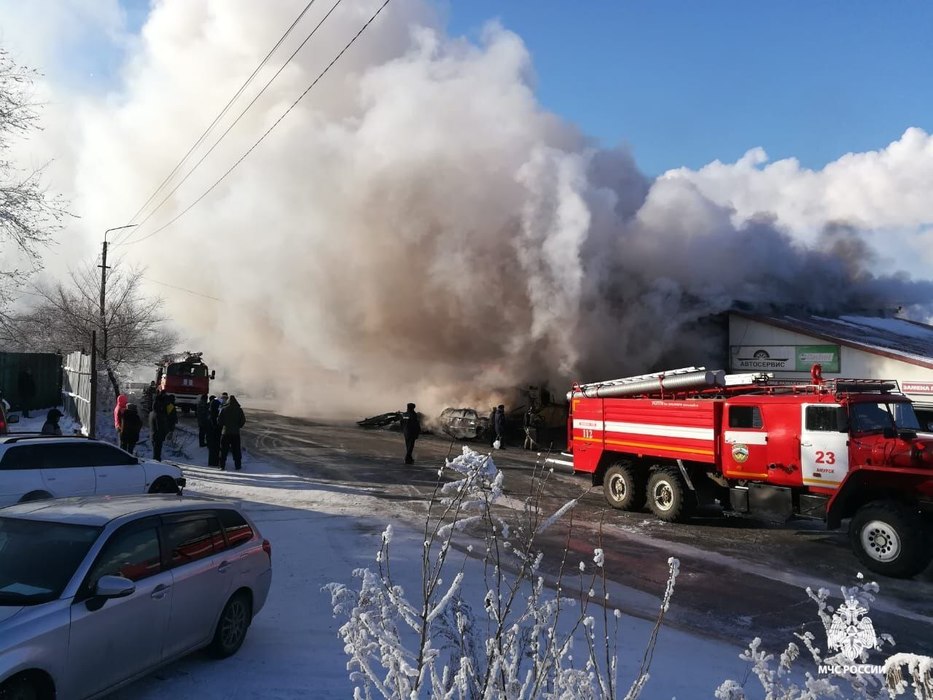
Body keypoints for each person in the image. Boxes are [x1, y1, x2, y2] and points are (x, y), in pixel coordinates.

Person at [218, 394, 246, 471]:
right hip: (235, 433)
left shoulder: (224, 409)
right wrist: (238, 426)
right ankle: (238, 466)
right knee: (236, 450)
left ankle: (222, 465)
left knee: (223, 450)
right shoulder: (239, 410)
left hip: (225, 433)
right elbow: (243, 420)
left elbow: (219, 421)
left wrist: (224, 426)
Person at [149, 392, 168, 461]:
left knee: (156, 451)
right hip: (158, 436)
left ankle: (156, 462)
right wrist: (165, 433)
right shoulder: (158, 415)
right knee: (157, 453)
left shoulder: (152, 413)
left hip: (153, 435)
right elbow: (160, 426)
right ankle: (156, 464)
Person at [207, 394, 222, 466]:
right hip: (215, 434)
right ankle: (214, 462)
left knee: (213, 449)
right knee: (215, 448)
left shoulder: (211, 414)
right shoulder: (215, 416)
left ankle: (212, 462)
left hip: (212, 434)